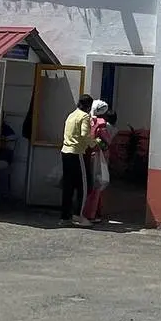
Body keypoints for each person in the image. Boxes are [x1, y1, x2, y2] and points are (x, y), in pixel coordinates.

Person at [60, 94, 95, 226]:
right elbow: (84, 134)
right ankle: (78, 215)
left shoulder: (71, 115)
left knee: (68, 186)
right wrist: (93, 143)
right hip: (77, 153)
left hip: (65, 152)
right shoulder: (84, 116)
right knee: (84, 186)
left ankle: (65, 217)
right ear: (88, 107)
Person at [83, 101, 114, 222]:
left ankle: (87, 211)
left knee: (88, 183)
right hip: (98, 157)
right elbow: (107, 141)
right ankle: (92, 213)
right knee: (98, 184)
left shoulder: (88, 120)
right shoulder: (101, 124)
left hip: (87, 154)